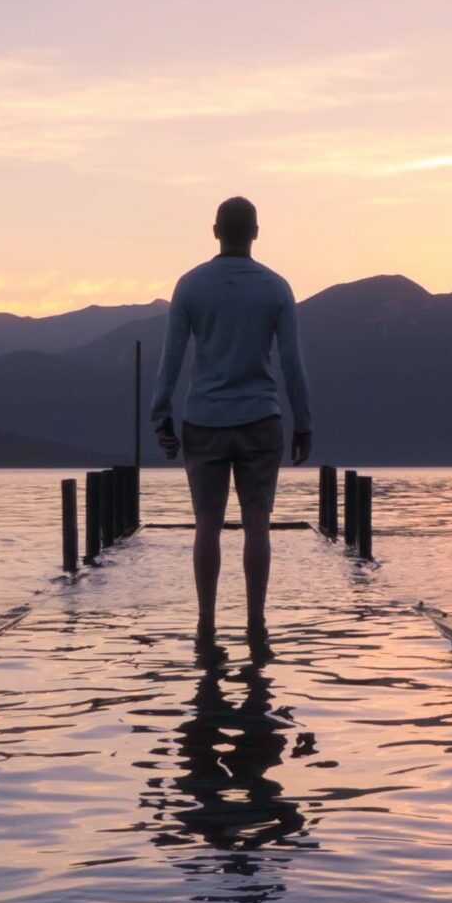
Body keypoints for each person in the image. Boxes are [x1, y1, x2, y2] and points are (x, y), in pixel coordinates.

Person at [151, 197, 312, 663]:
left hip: (203, 420)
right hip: (262, 418)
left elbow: (173, 358)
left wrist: (160, 414)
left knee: (207, 524)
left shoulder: (190, 287)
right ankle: (256, 624)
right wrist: (304, 421)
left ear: (215, 230)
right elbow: (291, 363)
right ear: (256, 233)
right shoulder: (277, 288)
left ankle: (206, 624)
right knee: (257, 523)